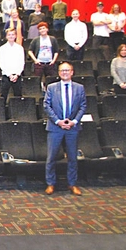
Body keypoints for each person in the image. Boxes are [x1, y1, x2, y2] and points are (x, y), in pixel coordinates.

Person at [43, 62, 86, 196]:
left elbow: (83, 106)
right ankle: (50, 183)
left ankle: (72, 184)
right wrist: (58, 121)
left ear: (72, 72)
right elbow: (46, 106)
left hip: (72, 128)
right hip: (55, 127)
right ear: (59, 72)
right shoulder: (51, 87)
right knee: (51, 157)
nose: (65, 73)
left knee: (72, 157)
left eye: (67, 70)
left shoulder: (79, 88)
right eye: (62, 71)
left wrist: (73, 122)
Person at [0, 28, 25, 104]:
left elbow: (21, 63)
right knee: (3, 96)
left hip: (17, 76)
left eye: (13, 34)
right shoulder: (2, 48)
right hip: (6, 75)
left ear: (16, 36)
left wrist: (17, 74)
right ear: (6, 36)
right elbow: (1, 63)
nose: (11, 36)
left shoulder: (20, 48)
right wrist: (9, 75)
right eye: (9, 35)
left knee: (18, 96)